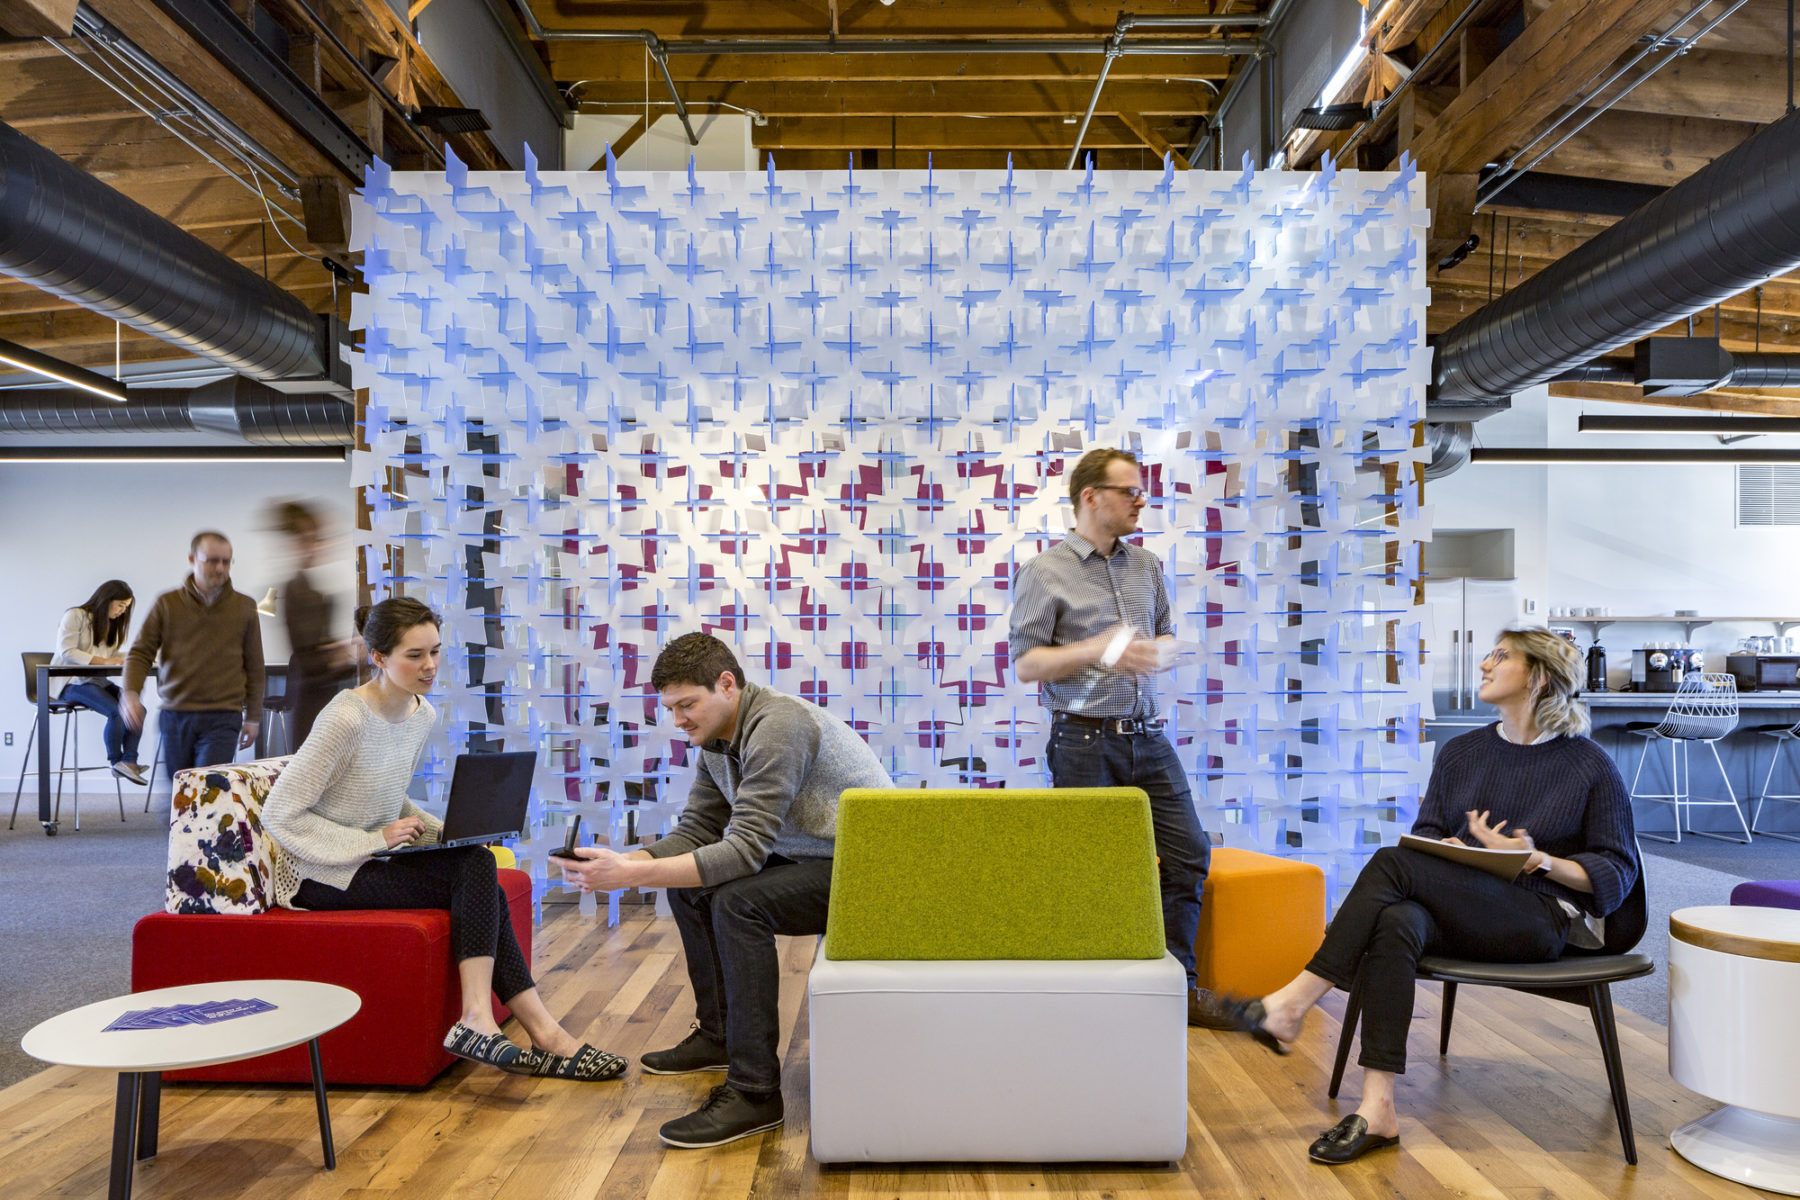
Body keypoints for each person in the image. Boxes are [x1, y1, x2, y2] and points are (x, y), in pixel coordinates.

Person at [1222, 628, 1638, 1165]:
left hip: (1539, 918)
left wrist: (1536, 859)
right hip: (1465, 906)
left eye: (1500, 656)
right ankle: (1378, 1109)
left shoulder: (1588, 764)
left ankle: (1291, 1002)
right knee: (1396, 918)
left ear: (1537, 678)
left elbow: (1617, 874)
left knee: (1393, 867)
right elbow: (1427, 832)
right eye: (1489, 653)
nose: (1484, 664)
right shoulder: (1461, 752)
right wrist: (1446, 845)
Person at [262, 597, 621, 1081]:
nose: (429, 665)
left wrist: (445, 832)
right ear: (378, 658)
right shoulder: (345, 719)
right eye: (414, 655)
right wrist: (374, 838)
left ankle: (539, 1031)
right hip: (320, 875)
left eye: (435, 651)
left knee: (476, 866)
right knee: (476, 871)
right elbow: (279, 814)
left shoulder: (419, 713)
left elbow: (391, 797)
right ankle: (502, 1024)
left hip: (371, 860)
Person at [557, 632, 893, 1148]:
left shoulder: (778, 725)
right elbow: (696, 831)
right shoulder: (717, 740)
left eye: (687, 704)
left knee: (738, 902)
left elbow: (743, 853)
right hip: (814, 855)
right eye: (670, 708)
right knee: (690, 890)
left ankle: (756, 1092)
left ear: (727, 684)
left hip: (865, 869)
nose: (679, 720)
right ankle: (719, 1036)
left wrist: (631, 876)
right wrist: (627, 860)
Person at [1007, 447, 1225, 1028]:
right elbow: (1026, 665)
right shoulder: (1044, 571)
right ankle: (1095, 1002)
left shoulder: (1146, 566)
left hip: (1148, 737)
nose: (1140, 500)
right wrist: (1100, 649)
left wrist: (1162, 652)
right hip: (1081, 742)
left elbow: (1166, 636)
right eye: (1129, 491)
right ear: (1090, 497)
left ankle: (1177, 992)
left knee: (1190, 857)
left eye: (1141, 490)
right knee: (1090, 875)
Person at [122, 532, 265, 782]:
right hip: (177, 715)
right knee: (180, 793)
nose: (220, 568)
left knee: (204, 789)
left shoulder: (244, 607)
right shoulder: (167, 604)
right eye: (212, 560)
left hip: (223, 716)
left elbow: (254, 666)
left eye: (226, 561)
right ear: (192, 559)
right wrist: (131, 692)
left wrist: (253, 716)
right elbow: (140, 652)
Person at [270, 500, 355, 748]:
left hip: (323, 698)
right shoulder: (297, 588)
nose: (319, 545)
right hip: (311, 701)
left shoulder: (312, 588)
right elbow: (309, 659)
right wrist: (341, 655)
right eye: (312, 538)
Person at [51, 579, 147, 785]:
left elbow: (109, 654)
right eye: (121, 605)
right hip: (71, 681)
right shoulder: (75, 616)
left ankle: (129, 762)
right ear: (107, 600)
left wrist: (137, 655)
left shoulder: (110, 624)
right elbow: (67, 651)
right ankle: (116, 763)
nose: (123, 611)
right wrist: (106, 661)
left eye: (126, 607)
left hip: (95, 680)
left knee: (137, 708)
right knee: (117, 711)